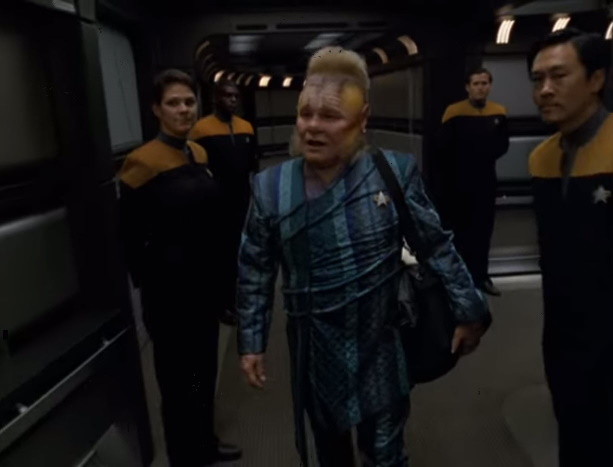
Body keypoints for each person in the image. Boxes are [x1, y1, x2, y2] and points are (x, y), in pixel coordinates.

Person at [237, 47, 490, 467]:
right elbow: (255, 270)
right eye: (305, 114)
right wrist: (251, 342)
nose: (312, 127)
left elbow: (434, 244)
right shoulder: (270, 189)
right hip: (314, 350)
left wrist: (469, 310)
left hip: (381, 342)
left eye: (330, 116)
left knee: (385, 454)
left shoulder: (393, 172)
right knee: (331, 452)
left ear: (362, 119)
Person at [117, 69, 241, 466]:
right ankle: (184, 457)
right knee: (176, 382)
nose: (184, 109)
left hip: (203, 287)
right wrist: (153, 283)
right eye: (173, 103)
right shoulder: (142, 162)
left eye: (189, 102)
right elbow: (129, 237)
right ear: (156, 109)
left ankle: (205, 443)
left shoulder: (199, 154)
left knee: (204, 372)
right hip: (169, 294)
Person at [528, 28, 613, 467]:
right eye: (537, 79)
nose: (545, 89)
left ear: (596, 79)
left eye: (559, 76)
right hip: (564, 337)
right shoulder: (541, 158)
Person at [190, 79, 258, 325]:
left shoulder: (246, 127)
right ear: (216, 98)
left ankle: (238, 299)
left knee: (241, 251)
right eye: (227, 95)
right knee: (220, 255)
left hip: (242, 199)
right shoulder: (201, 129)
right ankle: (222, 304)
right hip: (215, 202)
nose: (232, 100)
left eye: (235, 96)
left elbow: (252, 163)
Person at [437, 68, 509, 296]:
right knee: (459, 230)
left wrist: (483, 154)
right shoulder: (454, 112)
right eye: (476, 84)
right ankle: (460, 279)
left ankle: (482, 276)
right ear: (467, 87)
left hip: (485, 180)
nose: (480, 88)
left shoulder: (498, 112)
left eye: (484, 83)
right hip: (458, 181)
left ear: (490, 86)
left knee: (483, 230)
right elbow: (443, 147)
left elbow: (503, 144)